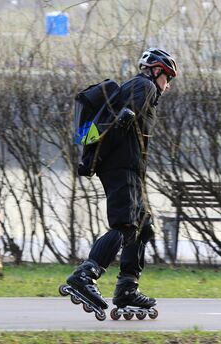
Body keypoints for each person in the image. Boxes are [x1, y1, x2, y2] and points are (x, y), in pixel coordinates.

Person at [66, 48, 178, 311]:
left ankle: (127, 289)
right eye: (168, 78)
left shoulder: (141, 88)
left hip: (127, 168)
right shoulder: (145, 86)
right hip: (121, 168)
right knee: (126, 225)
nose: (168, 85)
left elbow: (122, 122)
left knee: (142, 226)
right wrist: (99, 159)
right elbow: (122, 121)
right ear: (157, 71)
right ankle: (85, 276)